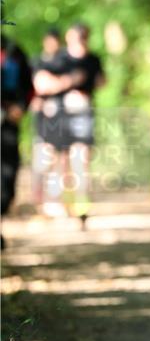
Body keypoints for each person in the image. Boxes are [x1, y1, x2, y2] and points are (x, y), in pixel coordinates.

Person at [32, 23, 105, 226]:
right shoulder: (60, 58)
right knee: (61, 161)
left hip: (84, 114)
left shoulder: (93, 59)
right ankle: (62, 205)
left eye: (83, 38)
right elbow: (41, 83)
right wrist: (70, 82)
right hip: (61, 116)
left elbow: (101, 81)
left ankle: (81, 207)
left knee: (81, 160)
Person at [1, 34, 34, 247]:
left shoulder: (15, 52)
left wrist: (21, 107)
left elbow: (29, 87)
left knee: (8, 176)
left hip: (9, 124)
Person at [30, 28, 63, 208]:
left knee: (57, 157)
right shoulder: (36, 62)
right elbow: (36, 86)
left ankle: (53, 199)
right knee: (41, 156)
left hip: (60, 116)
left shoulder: (63, 61)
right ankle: (38, 199)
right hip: (42, 117)